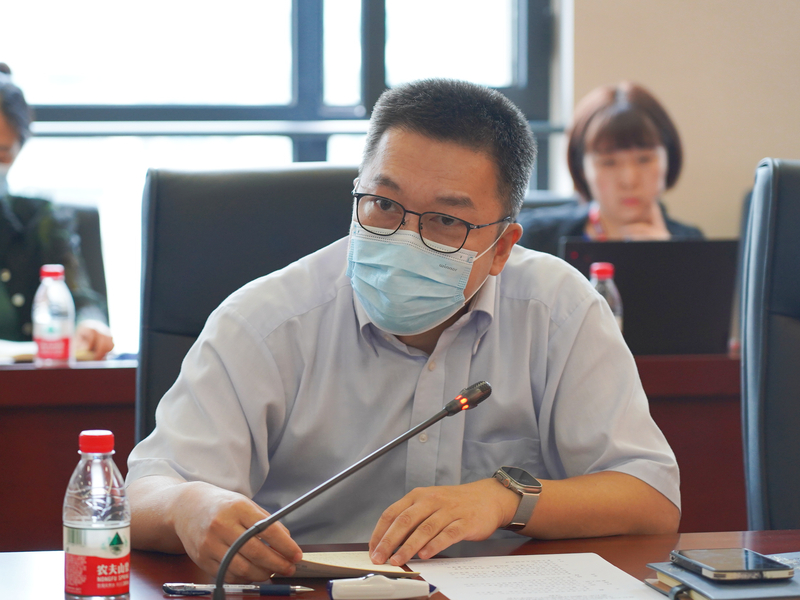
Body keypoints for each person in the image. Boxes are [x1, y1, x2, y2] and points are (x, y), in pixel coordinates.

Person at [126, 79, 680, 583]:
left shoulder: (558, 310)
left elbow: (650, 497)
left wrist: (504, 499)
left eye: (446, 220)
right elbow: (140, 496)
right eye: (383, 205)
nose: (403, 238)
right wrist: (188, 506)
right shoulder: (267, 320)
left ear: (502, 249)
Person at [0, 63, 113, 358]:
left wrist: (90, 324)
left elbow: (81, 298)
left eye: (2, 153)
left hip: (24, 382)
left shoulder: (42, 219)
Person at [518, 82, 703, 256]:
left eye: (644, 159)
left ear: (669, 159)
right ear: (581, 168)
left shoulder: (692, 245)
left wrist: (669, 258)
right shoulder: (535, 239)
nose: (629, 180)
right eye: (609, 163)